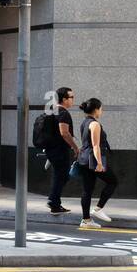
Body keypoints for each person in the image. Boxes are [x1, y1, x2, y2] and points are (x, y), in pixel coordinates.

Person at [75, 98, 116, 230]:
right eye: (101, 109)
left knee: (87, 190)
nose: (101, 112)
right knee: (113, 181)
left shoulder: (84, 123)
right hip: (92, 160)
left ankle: (86, 220)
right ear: (96, 109)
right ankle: (98, 208)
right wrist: (99, 163)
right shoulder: (95, 124)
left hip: (83, 160)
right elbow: (96, 145)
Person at [44, 86, 79, 214]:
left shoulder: (53, 110)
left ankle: (54, 202)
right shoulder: (63, 112)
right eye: (71, 97)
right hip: (59, 150)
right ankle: (53, 202)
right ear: (64, 99)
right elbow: (64, 133)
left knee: (59, 175)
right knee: (62, 176)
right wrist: (75, 147)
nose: (73, 100)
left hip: (52, 149)